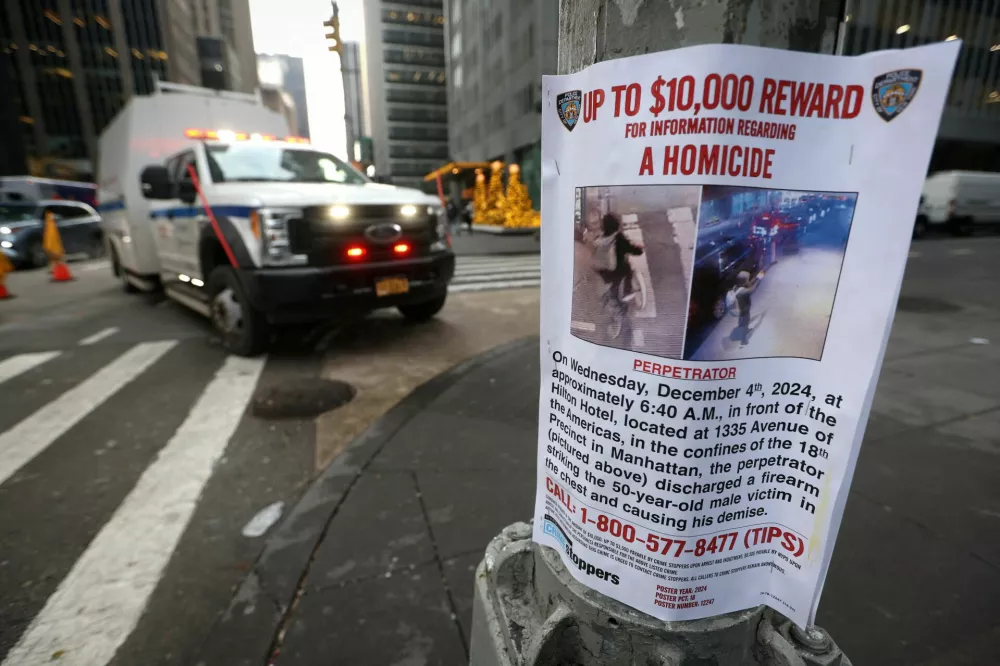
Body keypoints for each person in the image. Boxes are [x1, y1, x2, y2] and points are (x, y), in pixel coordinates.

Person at [594, 213, 643, 301]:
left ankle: (613, 292)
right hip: (613, 270)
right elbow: (633, 249)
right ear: (617, 224)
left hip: (600, 270)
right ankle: (626, 292)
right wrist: (639, 249)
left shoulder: (599, 238)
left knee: (615, 271)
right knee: (628, 269)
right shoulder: (619, 238)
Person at [732, 269, 764, 346]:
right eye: (747, 279)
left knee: (743, 321)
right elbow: (753, 289)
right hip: (744, 310)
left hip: (742, 309)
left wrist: (757, 277)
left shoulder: (737, 287)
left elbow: (750, 283)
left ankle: (742, 328)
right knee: (745, 323)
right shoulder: (743, 292)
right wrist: (759, 279)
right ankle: (744, 340)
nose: (748, 280)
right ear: (744, 281)